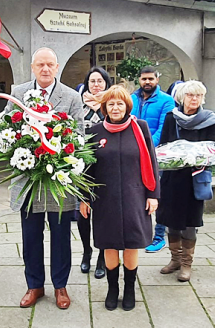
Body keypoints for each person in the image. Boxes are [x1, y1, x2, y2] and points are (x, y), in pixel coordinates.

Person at [4, 47, 85, 310]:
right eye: (40, 65)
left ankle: (60, 286)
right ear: (32, 67)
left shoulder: (72, 97)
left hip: (58, 180)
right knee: (31, 236)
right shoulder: (18, 93)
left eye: (50, 64)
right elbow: (6, 124)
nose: (45, 69)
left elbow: (79, 137)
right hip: (28, 179)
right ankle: (34, 285)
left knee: (61, 236)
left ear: (57, 67)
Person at [80, 85, 159, 311]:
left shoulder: (140, 127)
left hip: (136, 196)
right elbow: (88, 168)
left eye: (120, 103)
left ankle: (130, 289)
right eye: (111, 104)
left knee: (132, 244)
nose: (116, 108)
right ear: (105, 107)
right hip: (105, 198)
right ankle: (112, 289)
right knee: (110, 245)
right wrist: (85, 198)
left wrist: (153, 194)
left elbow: (152, 162)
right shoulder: (95, 131)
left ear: (127, 106)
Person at [156, 81, 215, 282]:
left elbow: (213, 149)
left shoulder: (208, 120)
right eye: (190, 95)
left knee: (189, 224)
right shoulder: (171, 118)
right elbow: (164, 145)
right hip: (171, 178)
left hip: (194, 179)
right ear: (182, 97)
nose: (194, 99)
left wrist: (196, 156)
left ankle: (186, 264)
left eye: (198, 96)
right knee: (171, 222)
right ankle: (174, 259)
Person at [130, 66, 175, 253]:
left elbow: (164, 128)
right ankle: (141, 233)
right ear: (139, 80)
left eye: (150, 79)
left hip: (155, 154)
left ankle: (158, 237)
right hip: (133, 154)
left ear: (157, 79)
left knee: (157, 196)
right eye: (143, 79)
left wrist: (146, 147)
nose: (147, 82)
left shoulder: (167, 100)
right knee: (136, 195)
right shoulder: (131, 99)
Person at [77, 66, 111, 279]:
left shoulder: (112, 105)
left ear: (106, 84)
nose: (96, 85)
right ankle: (86, 250)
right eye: (92, 81)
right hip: (83, 166)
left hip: (106, 166)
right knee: (83, 212)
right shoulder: (79, 105)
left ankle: (100, 255)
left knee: (103, 213)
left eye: (100, 81)